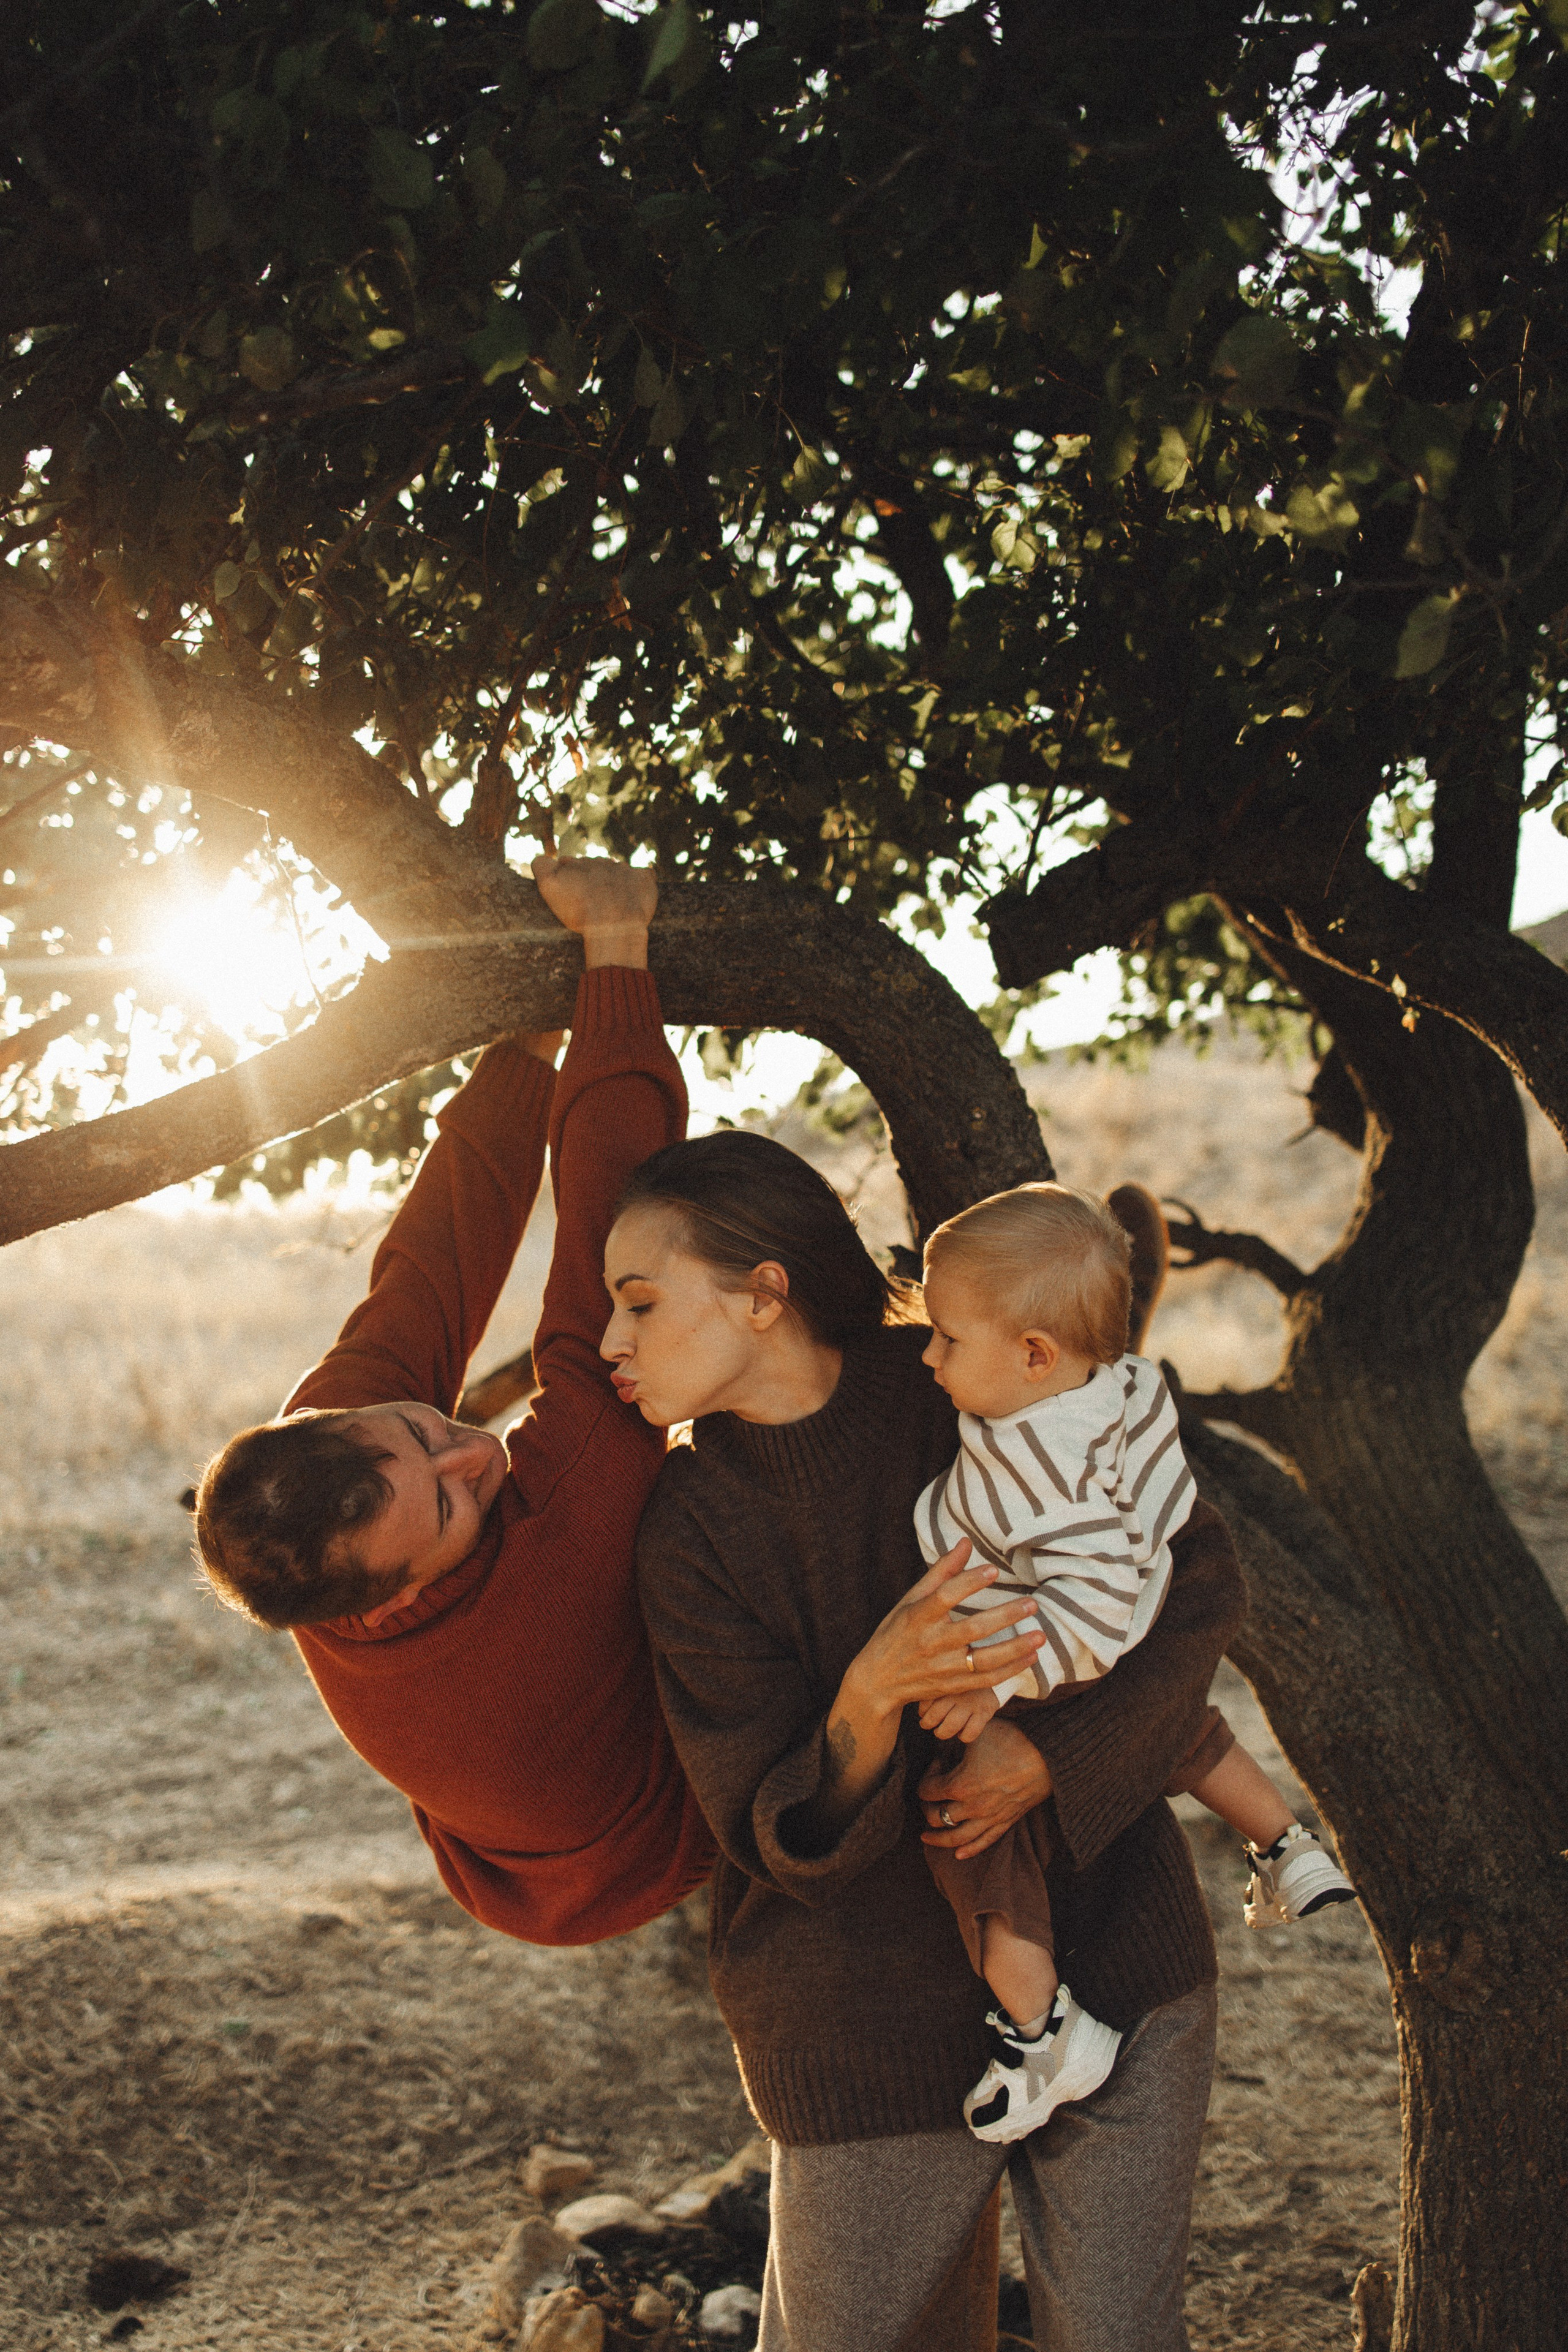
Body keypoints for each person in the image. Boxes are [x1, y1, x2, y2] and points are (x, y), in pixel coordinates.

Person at [610, 1128, 1250, 2352]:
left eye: (640, 1300)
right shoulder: (687, 1531)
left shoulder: (966, 1378)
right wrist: (870, 1693)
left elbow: (1196, 1585)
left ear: (762, 1293)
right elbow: (770, 1832)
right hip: (856, 2031)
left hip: (1108, 1955)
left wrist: (1047, 1761)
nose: (609, 1342)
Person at [192, 854, 714, 1945]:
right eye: (446, 1506)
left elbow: (436, 1255)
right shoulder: (551, 1555)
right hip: (652, 1833)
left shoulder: (323, 1478)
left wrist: (523, 1026)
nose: (475, 1455)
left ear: (329, 1418)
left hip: (495, 1836)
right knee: (717, 1454)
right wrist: (614, 951)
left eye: (425, 1432)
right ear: (378, 1603)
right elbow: (612, 1257)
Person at [914, 1182, 1356, 2145]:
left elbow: (1095, 1600)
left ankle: (1043, 2035)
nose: (928, 1355)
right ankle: (1288, 1844)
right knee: (1182, 1734)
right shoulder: (1118, 1388)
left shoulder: (1037, 1470)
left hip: (1056, 1650)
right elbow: (1149, 1518)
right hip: (1126, 1611)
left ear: (1035, 1357)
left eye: (945, 1338)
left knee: (970, 1835)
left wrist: (999, 1683)